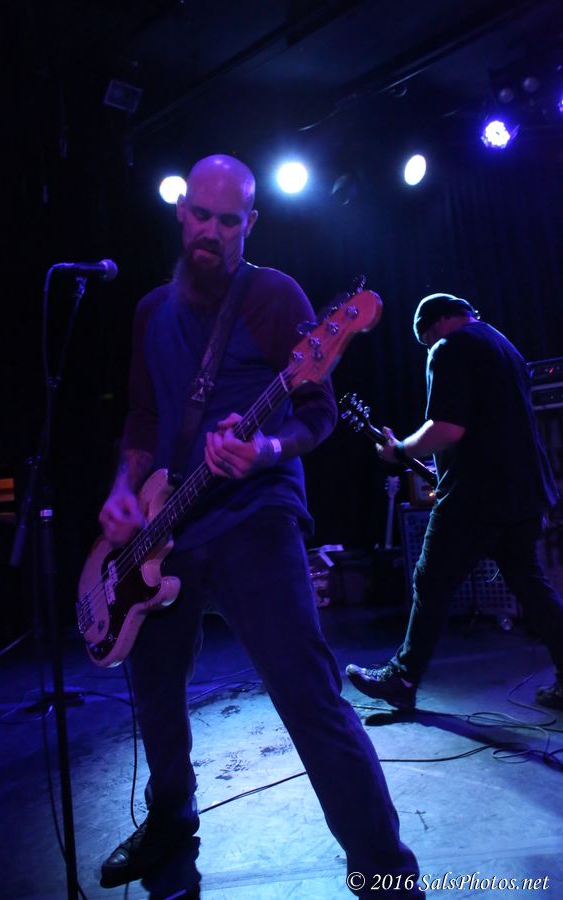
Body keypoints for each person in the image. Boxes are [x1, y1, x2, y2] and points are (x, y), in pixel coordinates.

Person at [97, 154, 421, 897]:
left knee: (307, 694)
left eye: (228, 220)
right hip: (167, 528)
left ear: (251, 222)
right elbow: (142, 419)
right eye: (200, 216)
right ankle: (170, 820)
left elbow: (318, 411)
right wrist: (122, 488)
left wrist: (267, 450)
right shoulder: (149, 311)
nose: (211, 232)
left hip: (255, 515)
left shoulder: (274, 295)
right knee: (153, 688)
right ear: (181, 213)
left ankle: (384, 870)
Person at [346, 293, 563, 712]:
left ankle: (402, 678)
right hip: (526, 491)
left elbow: (447, 428)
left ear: (435, 326)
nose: (428, 348)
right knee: (530, 585)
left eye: (426, 341)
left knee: (430, 580)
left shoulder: (449, 346)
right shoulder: (504, 345)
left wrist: (399, 449)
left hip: (476, 496)